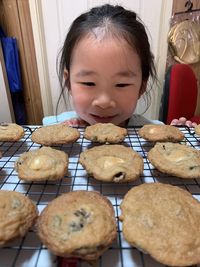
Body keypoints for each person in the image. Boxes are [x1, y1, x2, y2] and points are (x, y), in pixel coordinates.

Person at [42, 4, 196, 128]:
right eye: (89, 83)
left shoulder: (149, 132)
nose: (104, 102)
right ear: (68, 82)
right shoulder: (56, 127)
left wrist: (181, 135)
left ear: (142, 86)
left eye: (121, 84)